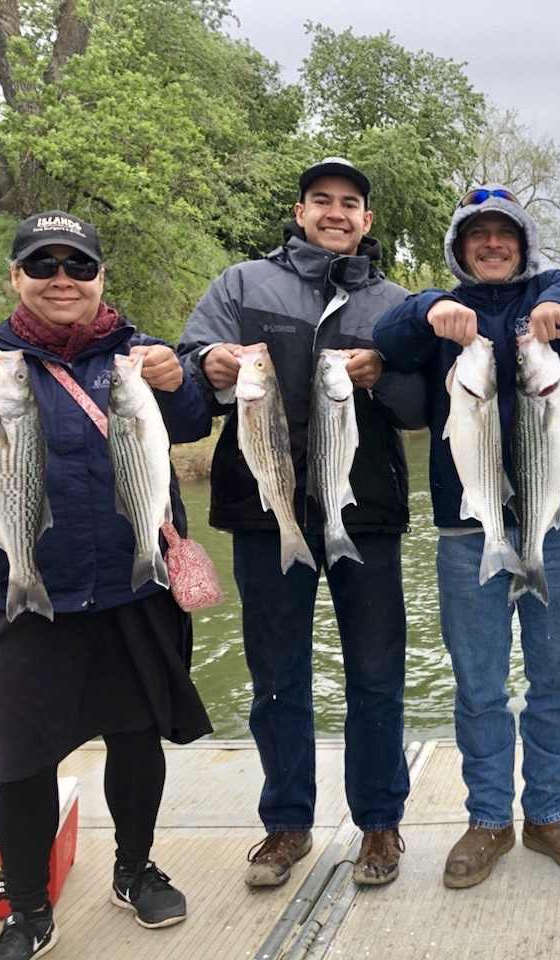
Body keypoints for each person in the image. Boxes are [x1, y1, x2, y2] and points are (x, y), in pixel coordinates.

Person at [177, 159, 426, 888]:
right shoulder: (242, 283)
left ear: (367, 220)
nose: (336, 213)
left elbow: (421, 406)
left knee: (377, 676)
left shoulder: (394, 301)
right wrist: (211, 364)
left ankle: (380, 823)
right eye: (323, 201)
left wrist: (386, 372)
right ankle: (286, 823)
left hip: (367, 511)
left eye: (350, 203)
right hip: (264, 508)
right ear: (300, 209)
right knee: (276, 677)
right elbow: (192, 373)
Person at [372, 184, 560, 888]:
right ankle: (487, 820)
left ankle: (548, 813)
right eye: (477, 234)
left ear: (521, 240)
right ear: (459, 247)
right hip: (466, 529)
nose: (491, 243)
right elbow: (387, 339)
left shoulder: (551, 292)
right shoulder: (437, 315)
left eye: (503, 232)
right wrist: (429, 307)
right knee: (479, 686)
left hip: (554, 525)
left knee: (558, 678)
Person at [0, 211, 213, 959]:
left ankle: (135, 868)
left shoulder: (138, 354)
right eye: (43, 265)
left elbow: (185, 424)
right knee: (20, 759)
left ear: (100, 278)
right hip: (25, 591)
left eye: (78, 266)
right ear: (16, 276)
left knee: (135, 735)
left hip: (130, 587)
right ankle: (26, 909)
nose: (62, 279)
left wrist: (178, 382)